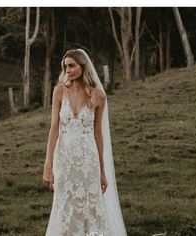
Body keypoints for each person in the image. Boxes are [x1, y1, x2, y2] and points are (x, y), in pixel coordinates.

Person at [43, 49, 127, 236]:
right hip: (63, 160)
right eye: (65, 67)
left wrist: (103, 171)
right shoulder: (59, 91)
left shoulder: (98, 96)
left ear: (83, 66)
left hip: (89, 161)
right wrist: (47, 165)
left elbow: (98, 134)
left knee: (90, 207)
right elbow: (54, 129)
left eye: (72, 65)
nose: (68, 70)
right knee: (64, 205)